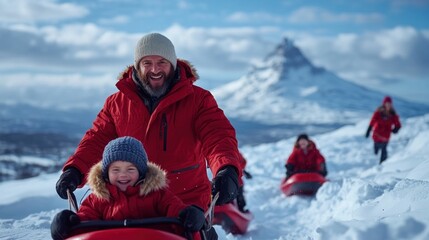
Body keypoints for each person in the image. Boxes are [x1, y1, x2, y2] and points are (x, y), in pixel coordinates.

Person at [55, 33, 242, 239]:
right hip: (123, 203)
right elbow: (96, 140)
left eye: (161, 62)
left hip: (183, 207)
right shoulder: (117, 103)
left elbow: (218, 137)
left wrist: (226, 169)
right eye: (147, 63)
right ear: (137, 66)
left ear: (172, 63)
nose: (154, 69)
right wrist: (75, 169)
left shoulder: (198, 100)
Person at [51, 136, 205, 240]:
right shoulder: (98, 199)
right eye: (115, 170)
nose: (122, 175)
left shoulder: (158, 194)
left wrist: (187, 215)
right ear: (106, 173)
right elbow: (85, 219)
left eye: (130, 169)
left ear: (141, 172)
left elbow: (174, 209)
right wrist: (69, 223)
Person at [365, 96, 401, 164]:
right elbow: (372, 121)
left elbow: (398, 124)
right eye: (387, 103)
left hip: (386, 137)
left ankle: (382, 166)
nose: (388, 105)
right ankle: (375, 159)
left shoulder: (393, 114)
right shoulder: (378, 112)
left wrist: (396, 129)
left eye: (389, 104)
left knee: (384, 151)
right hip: (377, 135)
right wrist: (368, 130)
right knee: (376, 150)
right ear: (384, 104)